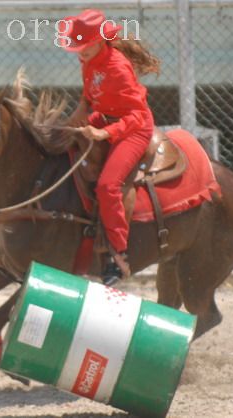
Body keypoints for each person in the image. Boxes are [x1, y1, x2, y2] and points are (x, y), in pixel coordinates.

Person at [59, 9, 161, 285]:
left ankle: (119, 256)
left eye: (82, 46)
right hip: (104, 120)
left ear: (97, 41)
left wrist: (104, 133)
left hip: (132, 129)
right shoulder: (88, 60)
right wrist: (81, 109)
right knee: (60, 145)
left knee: (108, 186)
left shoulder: (118, 67)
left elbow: (137, 116)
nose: (79, 52)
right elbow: (89, 93)